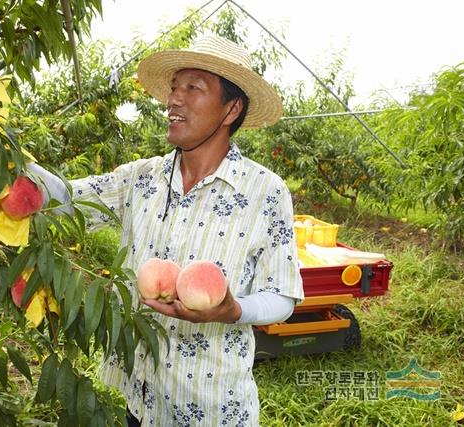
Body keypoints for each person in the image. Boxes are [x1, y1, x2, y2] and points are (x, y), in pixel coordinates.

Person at [29, 34, 304, 426]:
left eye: (194, 88)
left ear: (231, 109)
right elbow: (67, 199)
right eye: (175, 88)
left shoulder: (264, 191)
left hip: (207, 406)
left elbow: (282, 296)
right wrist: (7, 154)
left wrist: (232, 310)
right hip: (132, 393)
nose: (174, 99)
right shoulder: (143, 178)